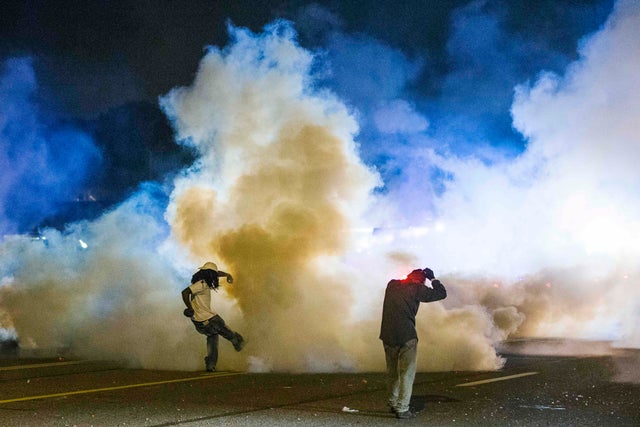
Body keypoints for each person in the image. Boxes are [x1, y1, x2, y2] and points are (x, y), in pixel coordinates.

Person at [379, 267, 447, 419]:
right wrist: (433, 278)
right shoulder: (417, 289)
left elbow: (403, 282)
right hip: (406, 336)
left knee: (392, 373)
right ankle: (402, 408)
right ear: (421, 281)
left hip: (387, 335)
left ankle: (393, 402)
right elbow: (441, 293)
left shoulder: (392, 285)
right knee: (406, 373)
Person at [182, 262, 245, 372]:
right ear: (210, 274)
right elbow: (184, 292)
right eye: (214, 275)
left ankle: (210, 365)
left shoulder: (200, 282)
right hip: (210, 319)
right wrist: (190, 308)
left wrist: (226, 275)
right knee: (229, 333)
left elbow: (215, 274)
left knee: (212, 339)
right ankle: (238, 343)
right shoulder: (202, 284)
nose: (215, 277)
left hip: (199, 324)